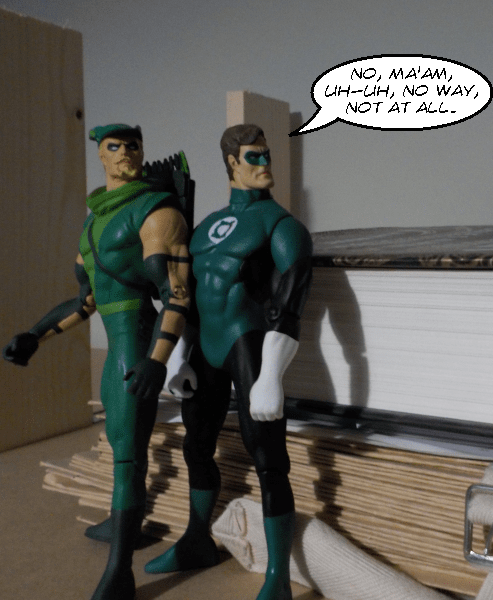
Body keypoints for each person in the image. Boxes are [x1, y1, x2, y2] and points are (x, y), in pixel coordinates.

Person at [3, 124, 191, 600]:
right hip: (116, 348)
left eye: (133, 145)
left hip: (138, 343)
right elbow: (87, 301)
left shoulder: (156, 212)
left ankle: (119, 572)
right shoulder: (93, 224)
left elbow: (176, 295)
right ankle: (122, 525)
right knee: (119, 442)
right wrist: (36, 335)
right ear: (101, 157)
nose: (126, 152)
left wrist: (158, 360)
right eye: (114, 146)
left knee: (128, 454)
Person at [145, 124, 312, 600]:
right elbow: (189, 298)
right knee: (196, 447)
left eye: (267, 155)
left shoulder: (282, 226)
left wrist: (271, 375)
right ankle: (197, 539)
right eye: (254, 157)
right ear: (232, 164)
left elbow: (290, 303)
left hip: (249, 344)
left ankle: (277, 576)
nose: (265, 165)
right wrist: (179, 355)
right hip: (205, 347)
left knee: (269, 460)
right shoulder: (204, 228)